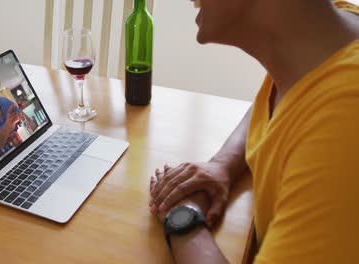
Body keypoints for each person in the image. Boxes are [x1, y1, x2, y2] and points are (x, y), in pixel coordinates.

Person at [149, 0, 359, 263]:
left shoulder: (345, 119)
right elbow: (285, 96)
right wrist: (221, 165)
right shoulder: (322, 40)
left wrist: (182, 219)